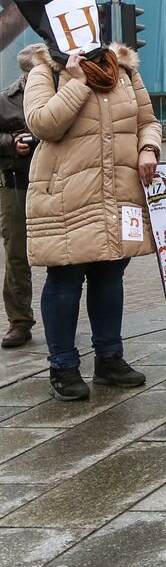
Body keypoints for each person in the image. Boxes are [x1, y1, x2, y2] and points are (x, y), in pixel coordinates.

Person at [16, 0, 161, 401]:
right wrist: (77, 81)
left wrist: (149, 149)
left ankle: (110, 359)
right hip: (66, 195)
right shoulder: (45, 69)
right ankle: (63, 365)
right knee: (64, 279)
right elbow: (44, 123)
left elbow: (147, 121)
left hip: (117, 193)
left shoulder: (124, 70)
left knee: (109, 276)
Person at [0, 46, 36, 348]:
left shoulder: (62, 94)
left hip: (57, 184)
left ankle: (66, 318)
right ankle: (20, 322)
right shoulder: (5, 100)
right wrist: (12, 142)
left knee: (66, 257)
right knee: (17, 255)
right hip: (15, 185)